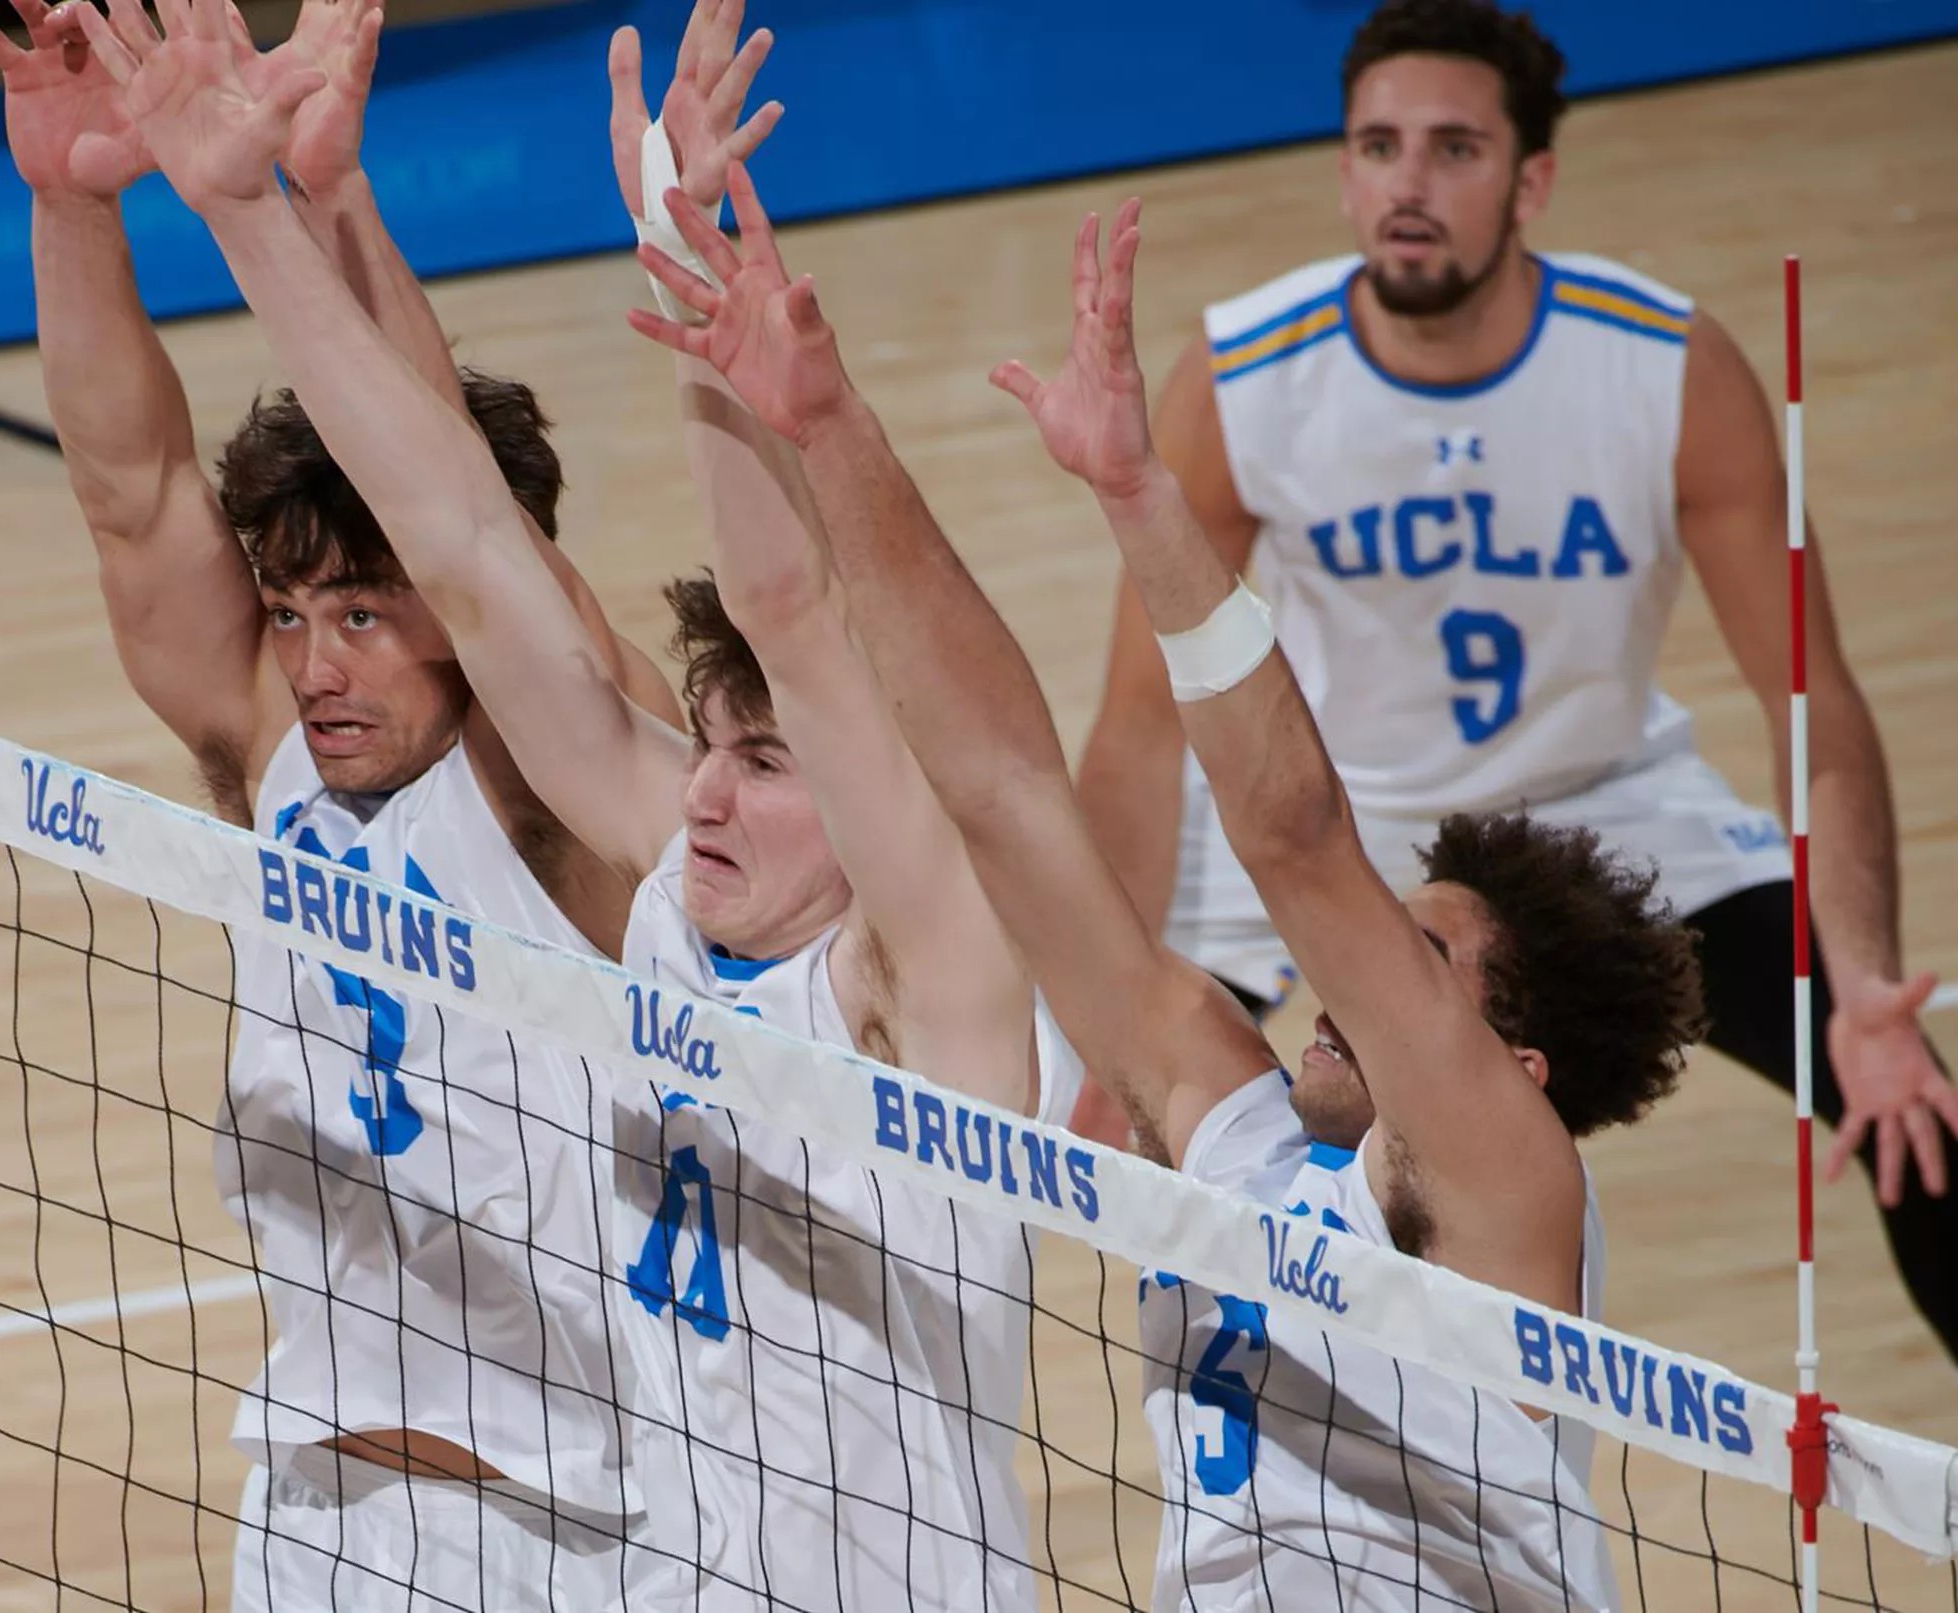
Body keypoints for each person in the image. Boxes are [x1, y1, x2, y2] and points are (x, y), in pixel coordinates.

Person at [74, 1, 1081, 1605]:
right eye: (709, 751)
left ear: (872, 803)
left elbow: (798, 615)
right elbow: (464, 546)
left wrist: (709, 296)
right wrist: (247, 214)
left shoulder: (928, 991)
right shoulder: (672, 921)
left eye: (766, 765)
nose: (706, 792)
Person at [628, 158, 1705, 1607]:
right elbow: (1007, 795)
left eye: (1419, 961)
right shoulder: (1234, 1134)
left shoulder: (1509, 1190)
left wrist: (1144, 496)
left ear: (1516, 1069)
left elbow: (1298, 838)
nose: (1350, 975)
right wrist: (827, 427)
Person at [1073, 0, 1958, 1360]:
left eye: (1455, 149)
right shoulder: (1243, 377)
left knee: (1918, 1114)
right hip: (1335, 821)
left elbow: (1816, 709)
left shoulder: (1665, 367)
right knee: (1102, 1114)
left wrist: (1864, 978)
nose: (1408, 185)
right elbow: (1140, 737)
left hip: (1609, 806)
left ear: (1531, 180)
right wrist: (1099, 1024)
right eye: (1378, 147)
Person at [0, 0, 688, 1605]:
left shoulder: (551, 791)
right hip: (313, 1523)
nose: (316, 665)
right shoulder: (277, 764)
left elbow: (469, 526)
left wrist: (326, 200)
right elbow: (135, 496)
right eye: (292, 615)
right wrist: (72, 204)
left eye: (363, 612)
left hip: (571, 1527)